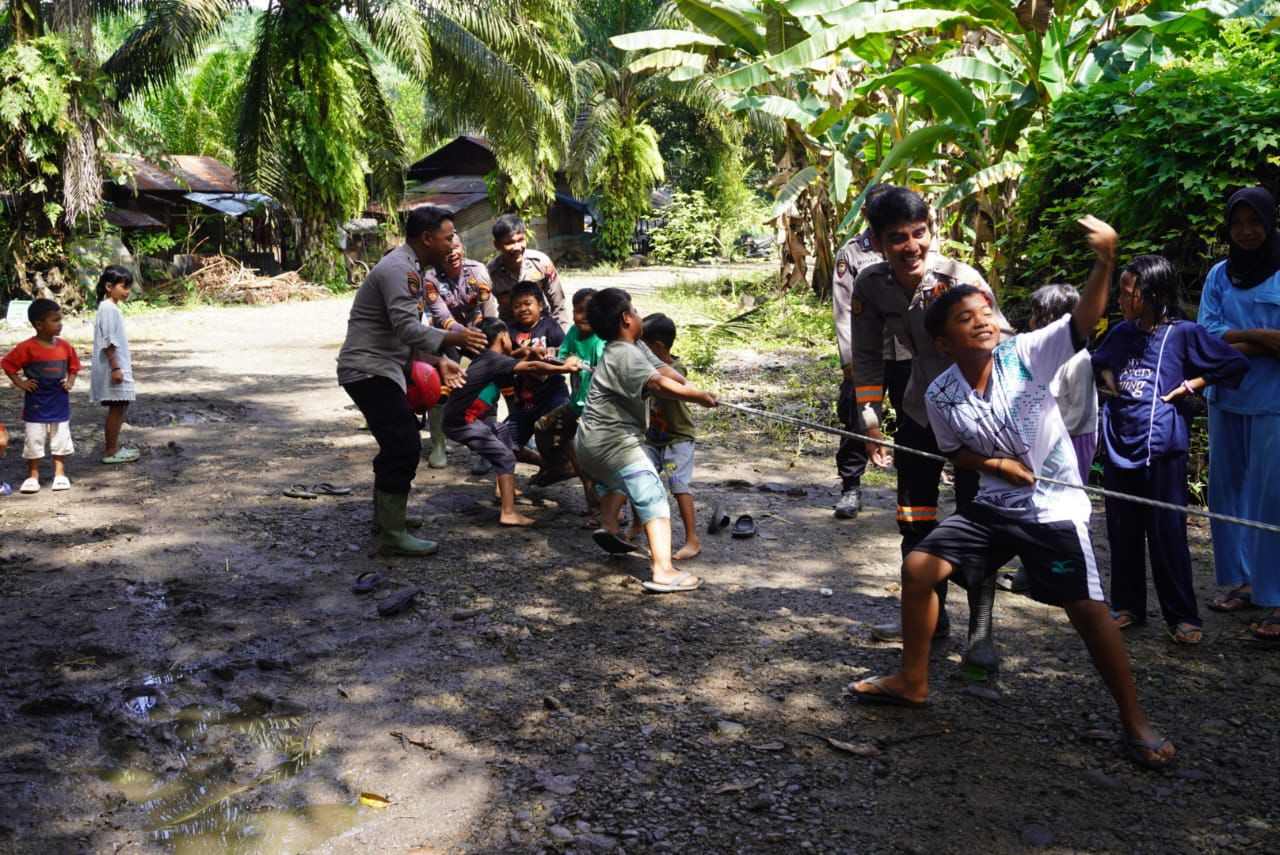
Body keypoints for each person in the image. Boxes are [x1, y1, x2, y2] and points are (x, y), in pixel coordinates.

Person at [852, 216, 1178, 771]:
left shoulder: (1027, 354)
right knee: (920, 566)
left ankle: (1135, 721)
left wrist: (1105, 261)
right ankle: (913, 679)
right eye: (965, 319)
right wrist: (995, 464)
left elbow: (1083, 320)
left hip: (1052, 509)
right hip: (994, 506)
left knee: (1087, 610)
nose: (982, 322)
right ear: (942, 342)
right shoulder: (941, 393)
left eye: (985, 313)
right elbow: (955, 452)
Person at [849, 186, 1012, 668]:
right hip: (920, 411)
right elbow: (866, 356)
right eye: (897, 238)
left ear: (931, 229)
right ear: (878, 242)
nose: (911, 246)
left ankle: (981, 635)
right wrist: (871, 420)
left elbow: (1003, 346)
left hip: (976, 418)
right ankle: (927, 618)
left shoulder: (960, 279)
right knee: (914, 517)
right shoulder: (871, 284)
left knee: (978, 519)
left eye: (919, 233)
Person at [1092, 255, 1248, 645]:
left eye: (1128, 292)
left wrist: (1191, 385)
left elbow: (1233, 363)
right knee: (1122, 531)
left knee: (1167, 535)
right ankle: (1127, 606)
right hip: (1119, 443)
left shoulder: (1184, 334)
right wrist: (1107, 375)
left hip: (1163, 448)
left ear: (1152, 294)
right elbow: (1096, 362)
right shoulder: (1121, 332)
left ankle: (1182, 616)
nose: (1121, 300)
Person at [337, 205, 486, 556]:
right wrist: (455, 338)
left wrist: (439, 360)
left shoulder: (411, 268)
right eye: (448, 237)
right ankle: (391, 532)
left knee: (396, 442)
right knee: (403, 442)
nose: (452, 243)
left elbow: (404, 332)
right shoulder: (399, 269)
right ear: (427, 238)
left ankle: (387, 519)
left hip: (382, 367)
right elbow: (406, 328)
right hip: (368, 370)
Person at [574, 288, 717, 593]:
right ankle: (663, 570)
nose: (639, 315)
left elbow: (663, 369)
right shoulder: (624, 355)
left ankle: (609, 524)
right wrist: (697, 398)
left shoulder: (633, 346)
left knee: (616, 480)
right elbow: (657, 383)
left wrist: (691, 386)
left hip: (590, 444)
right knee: (652, 494)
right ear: (626, 318)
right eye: (636, 310)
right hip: (613, 442)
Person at [1196, 186, 1280, 644]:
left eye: (1254, 222)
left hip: (1273, 401)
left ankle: (1277, 595)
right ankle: (1245, 581)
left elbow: (1220, 337)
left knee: (1274, 499)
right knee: (1228, 492)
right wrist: (1265, 338)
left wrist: (1234, 339)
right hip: (1227, 397)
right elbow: (1206, 335)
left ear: (1270, 223)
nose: (1246, 231)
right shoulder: (1219, 275)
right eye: (1237, 223)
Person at [1001, 284, 1100, 593]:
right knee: (1036, 502)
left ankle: (1067, 574)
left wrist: (1049, 441)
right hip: (1042, 442)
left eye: (1036, 314)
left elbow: (1080, 413)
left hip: (1071, 442)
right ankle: (1033, 571)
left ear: (1053, 318)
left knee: (1063, 507)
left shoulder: (1078, 359)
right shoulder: (1037, 355)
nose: (1031, 320)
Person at [442, 318, 578, 526]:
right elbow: (531, 366)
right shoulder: (493, 360)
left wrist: (524, 352)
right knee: (505, 457)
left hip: (458, 419)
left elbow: (515, 358)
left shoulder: (485, 357)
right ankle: (508, 513)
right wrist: (564, 368)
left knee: (501, 431)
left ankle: (506, 488)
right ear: (503, 338)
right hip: (462, 423)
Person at [832, 183, 912, 520]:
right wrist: (849, 358)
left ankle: (912, 488)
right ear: (866, 214)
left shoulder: (909, 246)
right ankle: (851, 486)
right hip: (869, 355)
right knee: (858, 420)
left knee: (913, 421)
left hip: (908, 353)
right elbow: (843, 309)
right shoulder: (852, 254)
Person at [623, 313, 701, 560]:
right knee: (639, 479)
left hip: (678, 439)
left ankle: (692, 540)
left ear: (656, 347)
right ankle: (637, 524)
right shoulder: (646, 369)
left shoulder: (676, 369)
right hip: (652, 438)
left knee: (678, 486)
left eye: (642, 347)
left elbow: (667, 386)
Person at [532, 288, 603, 511]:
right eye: (578, 310)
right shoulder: (573, 332)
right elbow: (562, 358)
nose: (583, 316)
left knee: (590, 461)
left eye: (590, 311)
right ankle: (559, 468)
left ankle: (600, 508)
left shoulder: (601, 341)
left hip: (596, 410)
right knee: (544, 428)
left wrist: (579, 365)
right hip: (575, 405)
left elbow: (606, 375)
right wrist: (550, 356)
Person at [2, 299, 81, 494]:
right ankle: (33, 476)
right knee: (34, 437)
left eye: (60, 320)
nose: (60, 324)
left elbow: (74, 367)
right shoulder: (26, 347)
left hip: (59, 399)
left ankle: (60, 474)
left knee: (60, 436)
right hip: (36, 400)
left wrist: (70, 382)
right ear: (39, 324)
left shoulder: (65, 346)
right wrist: (20, 383)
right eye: (55, 320)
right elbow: (8, 364)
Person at [507, 281, 571, 479]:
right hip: (525, 402)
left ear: (540, 305)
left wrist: (551, 354)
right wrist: (524, 354)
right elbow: (502, 359)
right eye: (517, 306)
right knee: (503, 442)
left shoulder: (549, 326)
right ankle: (548, 465)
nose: (522, 309)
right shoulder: (509, 332)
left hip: (553, 396)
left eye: (528, 303)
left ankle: (580, 473)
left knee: (564, 436)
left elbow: (566, 354)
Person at [90, 265, 140, 465]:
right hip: (113, 366)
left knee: (120, 405)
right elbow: (108, 340)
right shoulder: (108, 308)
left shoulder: (110, 307)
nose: (127, 291)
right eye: (123, 286)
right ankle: (111, 450)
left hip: (116, 364)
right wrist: (116, 367)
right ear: (109, 287)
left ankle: (113, 448)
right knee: (117, 407)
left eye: (128, 287)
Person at [487, 214, 571, 330]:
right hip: (510, 329)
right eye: (509, 243)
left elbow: (559, 306)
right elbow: (486, 312)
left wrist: (561, 336)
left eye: (520, 240)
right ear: (497, 244)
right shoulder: (490, 273)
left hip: (542, 325)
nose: (517, 247)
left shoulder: (541, 263)